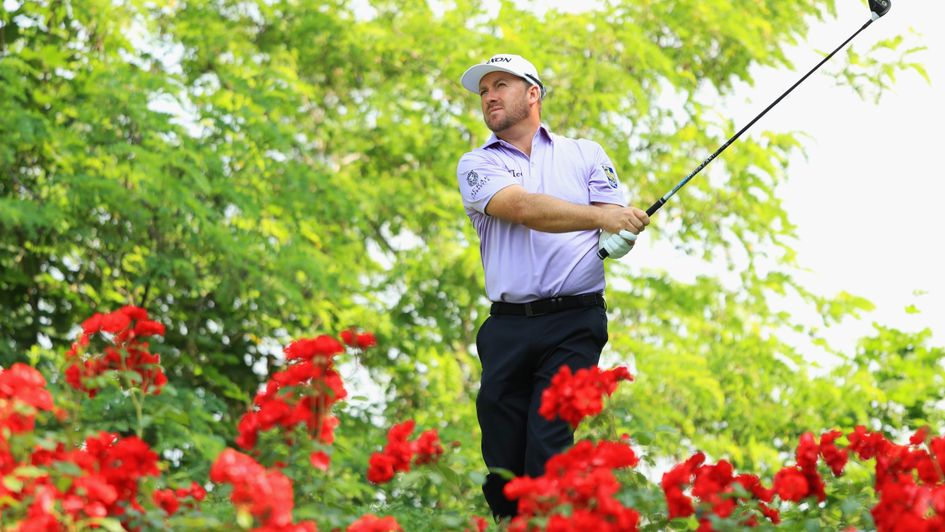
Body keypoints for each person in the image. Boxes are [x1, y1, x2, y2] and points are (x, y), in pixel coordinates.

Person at [455, 53, 650, 520]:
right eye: (483, 91)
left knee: (548, 448)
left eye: (500, 85)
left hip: (574, 322)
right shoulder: (476, 163)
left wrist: (621, 231)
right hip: (507, 327)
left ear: (533, 93)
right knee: (503, 462)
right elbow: (523, 208)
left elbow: (615, 223)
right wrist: (603, 218)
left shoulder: (586, 154)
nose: (489, 97)